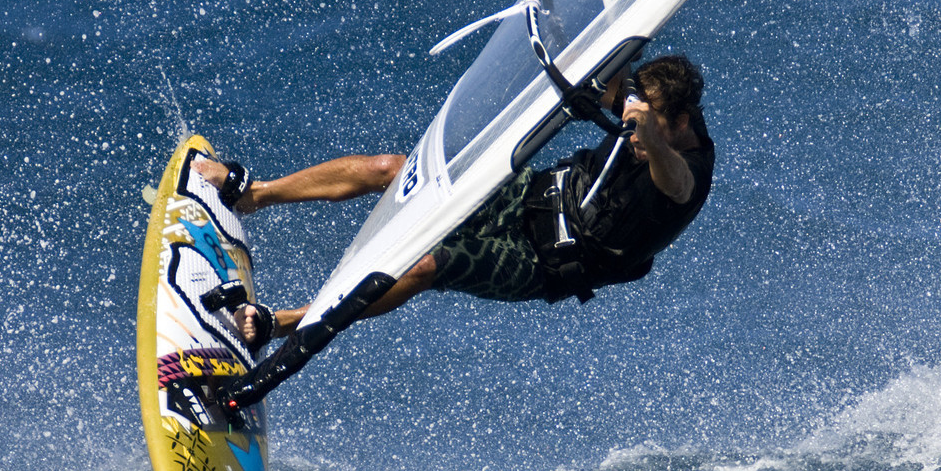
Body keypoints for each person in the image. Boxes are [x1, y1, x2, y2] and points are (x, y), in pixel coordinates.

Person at [196, 51, 714, 349]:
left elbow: (674, 182)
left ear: (681, 122)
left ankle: (282, 322)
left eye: (647, 124)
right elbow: (607, 66)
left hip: (545, 260)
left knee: (426, 265)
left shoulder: (687, 173)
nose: (632, 131)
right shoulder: (642, 105)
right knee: (395, 169)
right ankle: (255, 195)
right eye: (632, 116)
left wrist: (649, 134)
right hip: (531, 195)